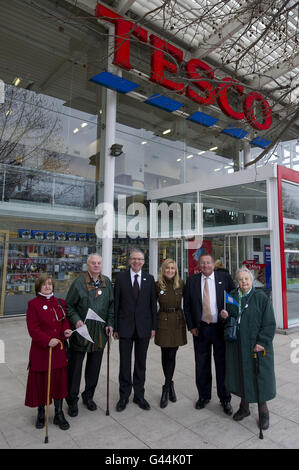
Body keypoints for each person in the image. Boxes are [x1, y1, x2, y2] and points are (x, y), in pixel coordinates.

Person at [220, 267, 276, 430]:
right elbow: (231, 320)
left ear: (252, 281)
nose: (243, 282)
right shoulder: (232, 296)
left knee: (259, 377)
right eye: (240, 279)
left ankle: (263, 411)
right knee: (241, 375)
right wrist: (225, 317)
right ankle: (244, 408)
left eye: (246, 279)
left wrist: (262, 342)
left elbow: (269, 323)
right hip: (237, 345)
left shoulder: (260, 298)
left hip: (256, 346)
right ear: (237, 281)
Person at [184, 254, 235, 414]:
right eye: (202, 263)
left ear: (213, 264)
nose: (205, 265)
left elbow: (234, 299)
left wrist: (230, 315)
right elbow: (187, 306)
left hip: (220, 328)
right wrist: (191, 326)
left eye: (208, 262)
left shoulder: (224, 278)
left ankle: (225, 399)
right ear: (199, 265)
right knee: (202, 365)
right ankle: (204, 396)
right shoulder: (192, 281)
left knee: (222, 365)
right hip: (201, 329)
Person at [65, 253, 114, 417]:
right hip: (81, 332)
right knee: (75, 369)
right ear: (87, 265)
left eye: (99, 263)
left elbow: (111, 306)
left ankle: (88, 396)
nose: (96, 265)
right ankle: (72, 400)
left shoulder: (107, 282)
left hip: (100, 333)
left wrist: (110, 323)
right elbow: (69, 306)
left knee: (94, 368)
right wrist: (76, 320)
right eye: (93, 263)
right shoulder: (78, 283)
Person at [25, 274, 72, 430]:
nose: (47, 287)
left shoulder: (59, 303)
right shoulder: (33, 304)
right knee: (41, 381)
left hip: (58, 350)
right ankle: (41, 412)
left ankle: (59, 413)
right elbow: (33, 329)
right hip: (41, 351)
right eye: (44, 284)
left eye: (50, 284)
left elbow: (64, 320)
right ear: (38, 287)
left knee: (58, 381)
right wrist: (46, 340)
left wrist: (66, 330)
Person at [114, 248, 157, 412]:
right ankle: (124, 396)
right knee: (124, 364)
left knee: (141, 363)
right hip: (124, 328)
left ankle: (139, 395)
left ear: (144, 262)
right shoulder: (121, 278)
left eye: (139, 259)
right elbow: (117, 304)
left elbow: (153, 305)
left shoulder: (149, 279)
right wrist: (116, 327)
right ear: (129, 260)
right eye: (133, 259)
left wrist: (153, 327)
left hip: (144, 329)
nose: (136, 262)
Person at [155, 259, 187, 408]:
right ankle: (168, 385)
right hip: (163, 320)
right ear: (163, 269)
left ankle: (167, 386)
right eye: (167, 268)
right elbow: (150, 305)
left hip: (177, 321)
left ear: (176, 270)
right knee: (165, 354)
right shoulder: (157, 285)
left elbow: (190, 301)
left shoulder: (180, 284)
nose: (170, 270)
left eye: (173, 268)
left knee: (172, 354)